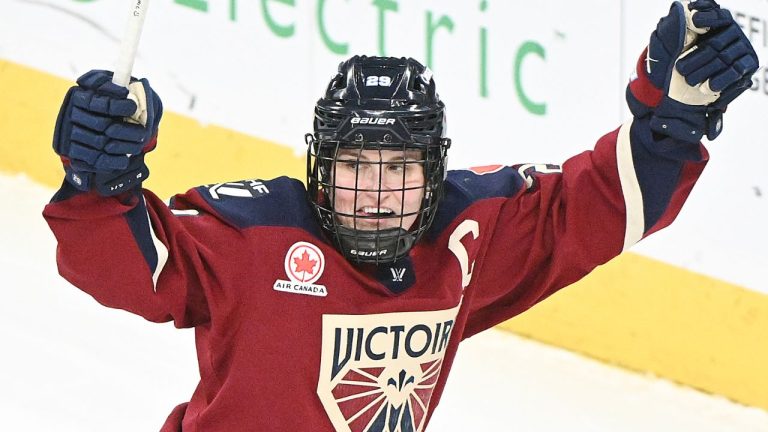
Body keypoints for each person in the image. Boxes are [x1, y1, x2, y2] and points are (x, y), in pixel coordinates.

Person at [43, 1, 758, 431]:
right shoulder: (255, 238)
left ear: (434, 175)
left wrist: (672, 124)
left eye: (399, 170)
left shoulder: (465, 240)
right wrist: (99, 180)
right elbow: (132, 271)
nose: (376, 192)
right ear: (320, 168)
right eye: (355, 167)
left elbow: (594, 210)